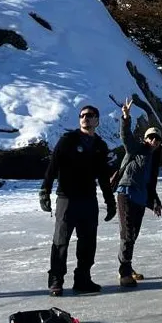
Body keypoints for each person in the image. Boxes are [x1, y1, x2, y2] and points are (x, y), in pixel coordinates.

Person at [39, 105, 115, 296]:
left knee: (88, 242)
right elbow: (52, 166)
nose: (85, 118)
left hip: (88, 200)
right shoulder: (68, 140)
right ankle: (56, 279)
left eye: (89, 116)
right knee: (60, 241)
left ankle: (83, 278)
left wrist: (110, 201)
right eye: (82, 116)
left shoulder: (100, 146)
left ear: (97, 120)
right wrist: (44, 191)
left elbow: (104, 177)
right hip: (67, 199)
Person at [115, 98, 162, 288]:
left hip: (140, 199)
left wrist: (155, 202)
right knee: (127, 234)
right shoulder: (137, 149)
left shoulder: (154, 161)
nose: (154, 140)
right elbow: (125, 137)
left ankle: (126, 266)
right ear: (145, 139)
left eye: (157, 139)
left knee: (132, 235)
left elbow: (150, 185)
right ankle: (124, 273)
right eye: (151, 137)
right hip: (126, 193)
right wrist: (125, 118)